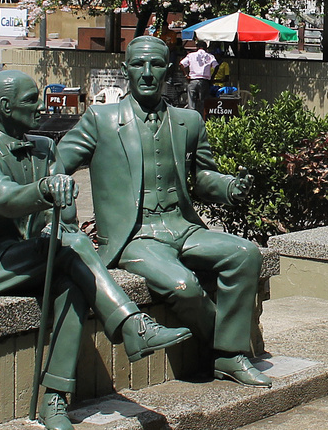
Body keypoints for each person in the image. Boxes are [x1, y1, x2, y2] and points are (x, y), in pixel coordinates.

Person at [0, 70, 191, 430]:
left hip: (34, 256)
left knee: (71, 286)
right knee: (72, 247)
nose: (41, 106)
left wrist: (60, 201)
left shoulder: (43, 147)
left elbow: (66, 214)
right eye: (31, 100)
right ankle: (133, 326)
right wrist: (45, 189)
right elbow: (3, 198)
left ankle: (54, 397)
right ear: (6, 107)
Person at [56, 36, 271, 387]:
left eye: (155, 65)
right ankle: (229, 350)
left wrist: (230, 186)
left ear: (169, 70)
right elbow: (56, 165)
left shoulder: (187, 121)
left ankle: (229, 358)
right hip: (135, 237)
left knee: (245, 254)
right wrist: (51, 192)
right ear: (125, 69)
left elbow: (202, 179)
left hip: (182, 226)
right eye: (138, 65)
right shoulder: (101, 119)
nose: (146, 72)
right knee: (185, 285)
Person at [181, 39, 218, 116]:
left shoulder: (191, 55)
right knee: (203, 103)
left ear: (196, 47)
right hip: (204, 82)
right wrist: (212, 77)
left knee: (191, 103)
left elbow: (181, 64)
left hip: (193, 80)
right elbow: (216, 66)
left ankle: (192, 119)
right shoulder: (210, 56)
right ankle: (202, 119)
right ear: (206, 48)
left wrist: (186, 76)